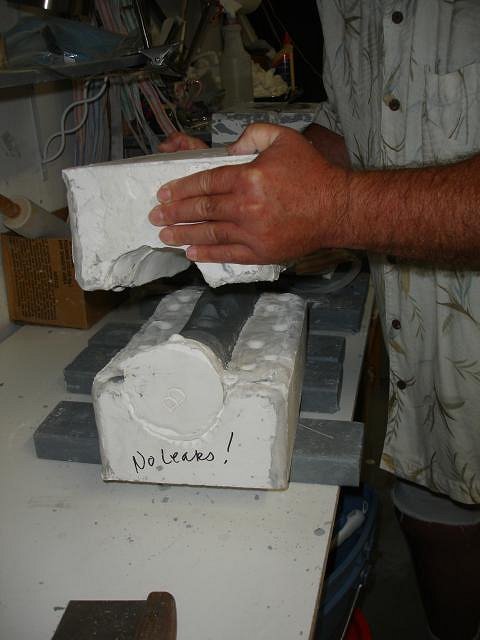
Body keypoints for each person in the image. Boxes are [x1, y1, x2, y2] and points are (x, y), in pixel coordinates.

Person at [151, 3, 480, 638]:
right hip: (428, 348)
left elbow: (340, 193)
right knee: (434, 497)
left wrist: (334, 207)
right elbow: (359, 132)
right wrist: (237, 178)